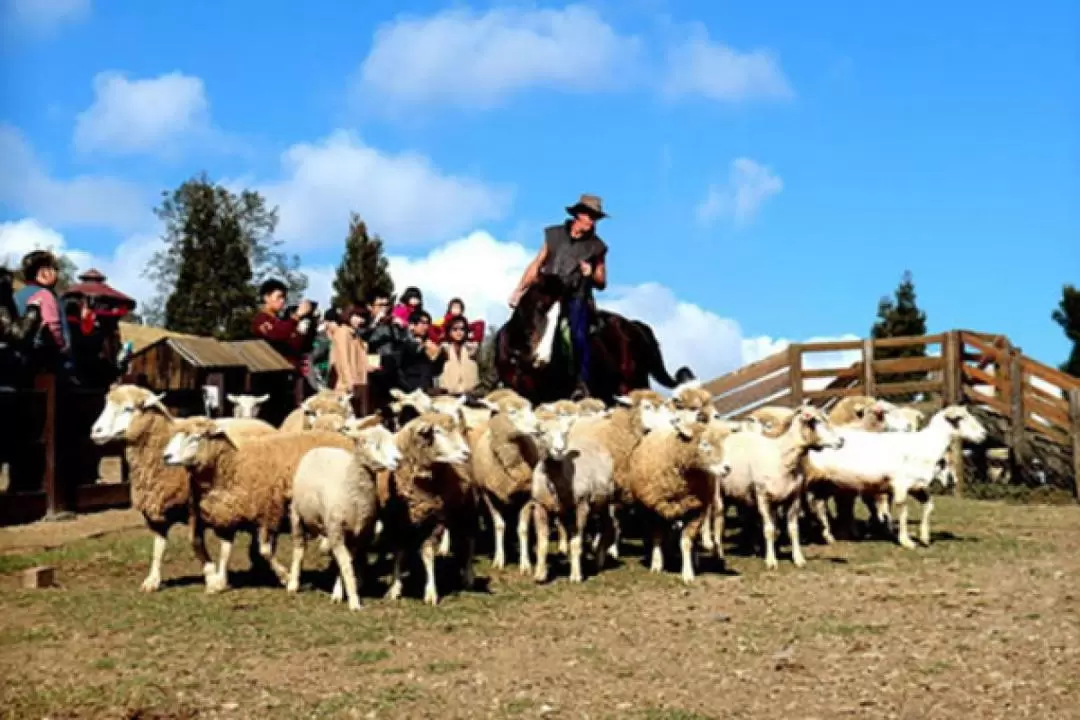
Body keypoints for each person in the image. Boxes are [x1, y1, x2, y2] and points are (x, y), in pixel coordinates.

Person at [508, 193, 608, 395]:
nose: (593, 221)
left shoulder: (597, 247)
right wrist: (519, 289)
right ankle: (506, 373)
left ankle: (581, 381)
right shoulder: (554, 235)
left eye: (595, 217)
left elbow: (602, 281)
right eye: (590, 216)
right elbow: (538, 263)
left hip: (575, 296)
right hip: (546, 291)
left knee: (578, 335)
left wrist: (590, 274)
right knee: (517, 324)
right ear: (579, 214)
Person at [14, 250, 73, 376]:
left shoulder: (15, 296)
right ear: (42, 272)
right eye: (52, 269)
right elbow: (55, 329)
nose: (55, 273)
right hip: (45, 365)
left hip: (17, 361)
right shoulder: (47, 296)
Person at [397, 309, 446, 393]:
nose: (426, 327)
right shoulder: (402, 341)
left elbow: (436, 371)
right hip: (408, 390)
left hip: (426, 389)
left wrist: (440, 355)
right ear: (412, 324)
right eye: (423, 323)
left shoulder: (429, 344)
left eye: (428, 323)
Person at [436, 314, 479, 395]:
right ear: (449, 331)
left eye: (462, 329)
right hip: (448, 396)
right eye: (455, 329)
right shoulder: (444, 349)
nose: (459, 332)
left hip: (470, 395)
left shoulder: (472, 349)